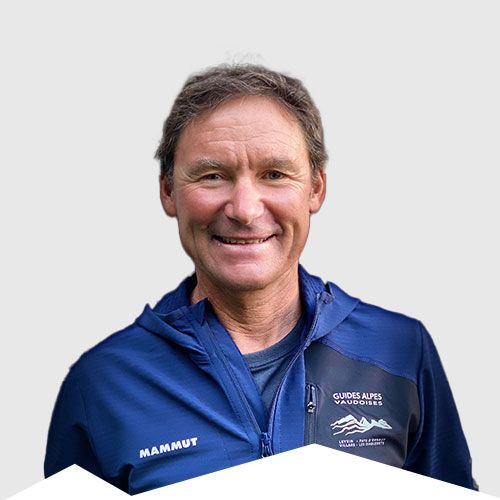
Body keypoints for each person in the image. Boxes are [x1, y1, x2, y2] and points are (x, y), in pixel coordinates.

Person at [44, 64, 477, 494]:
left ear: (316, 188)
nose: (245, 209)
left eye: (274, 174)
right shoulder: (102, 383)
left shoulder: (399, 350)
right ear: (168, 191)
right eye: (213, 176)